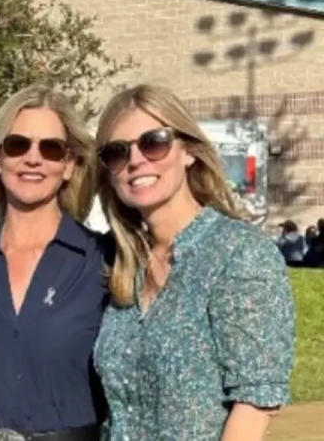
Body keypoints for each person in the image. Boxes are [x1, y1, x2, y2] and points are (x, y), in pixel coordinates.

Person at [93, 84, 294, 440]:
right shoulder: (122, 262)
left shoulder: (238, 253)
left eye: (154, 141)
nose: (136, 160)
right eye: (117, 152)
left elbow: (254, 406)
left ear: (189, 151)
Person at [0, 85, 107, 441]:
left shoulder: (105, 263)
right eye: (18, 144)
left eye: (51, 148)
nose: (34, 158)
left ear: (69, 165)